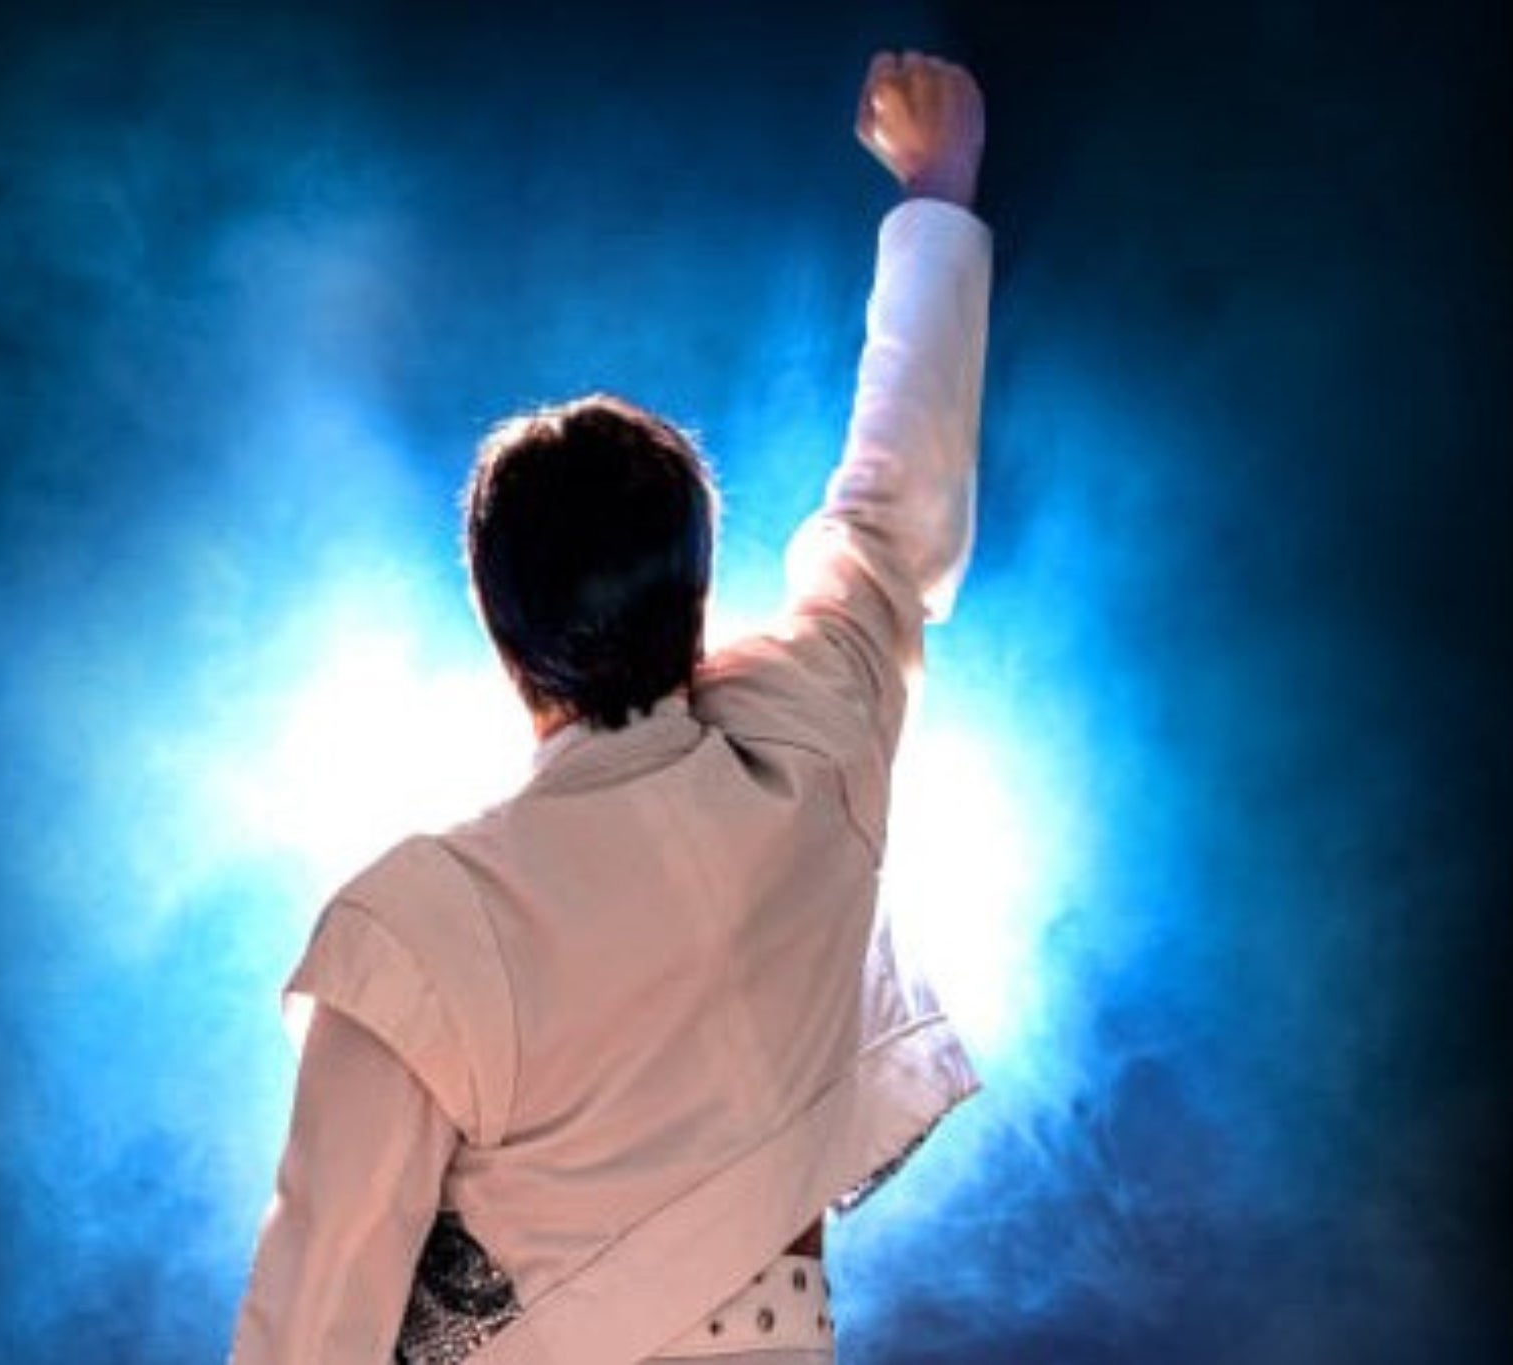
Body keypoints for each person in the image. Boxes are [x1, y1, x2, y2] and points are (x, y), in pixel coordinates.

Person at [231, 48, 994, 1364]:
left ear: (496, 625)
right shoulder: (810, 744)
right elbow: (892, 513)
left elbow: (311, 1333)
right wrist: (939, 188)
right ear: (698, 601)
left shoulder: (415, 933)